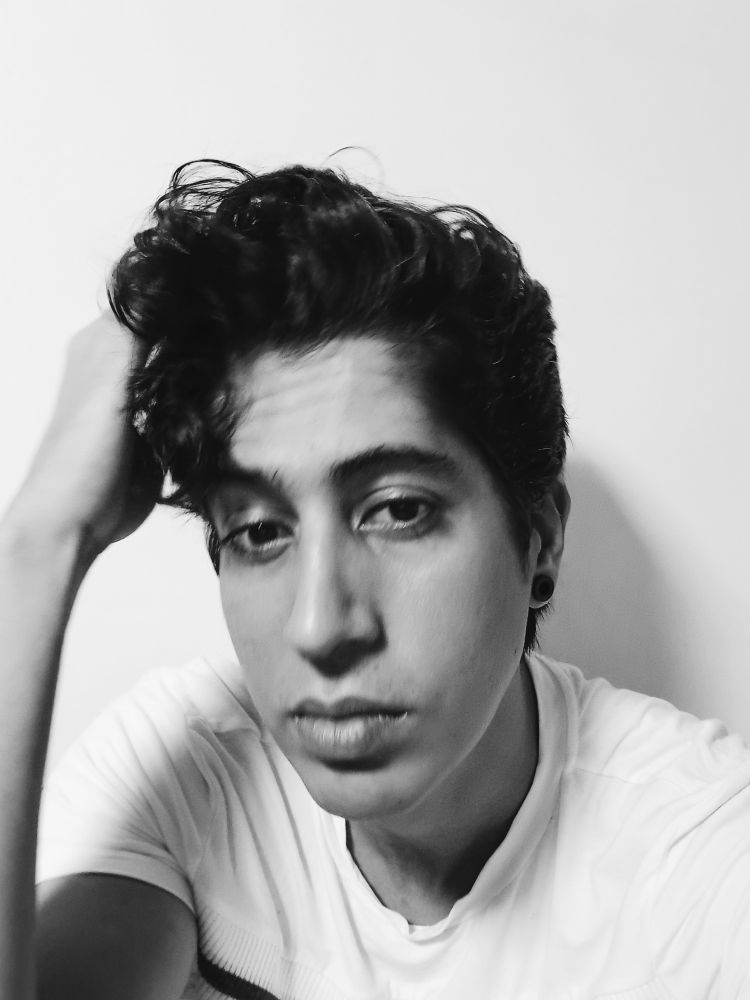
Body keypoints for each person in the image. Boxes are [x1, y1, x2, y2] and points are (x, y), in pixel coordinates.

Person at [0, 160, 748, 1000]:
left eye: (398, 512)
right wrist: (38, 545)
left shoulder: (702, 859)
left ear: (539, 540)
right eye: (259, 531)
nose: (321, 625)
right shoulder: (187, 769)